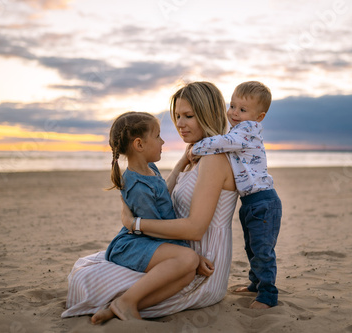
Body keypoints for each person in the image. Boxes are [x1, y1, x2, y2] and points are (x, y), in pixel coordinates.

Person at [61, 81, 238, 323]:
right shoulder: (196, 157)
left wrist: (135, 224)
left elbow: (196, 229)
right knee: (90, 274)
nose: (179, 124)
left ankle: (122, 303)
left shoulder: (214, 160)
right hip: (175, 252)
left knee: (97, 282)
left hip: (203, 266)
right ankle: (120, 305)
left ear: (208, 114)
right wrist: (180, 165)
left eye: (188, 116)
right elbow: (155, 195)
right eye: (177, 116)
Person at [102, 111, 214, 320]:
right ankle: (125, 301)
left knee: (188, 272)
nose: (163, 141)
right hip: (133, 244)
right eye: (157, 136)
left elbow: (163, 191)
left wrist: (182, 162)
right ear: (139, 145)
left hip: (146, 238)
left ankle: (123, 306)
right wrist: (193, 256)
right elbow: (154, 229)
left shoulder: (150, 168)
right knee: (189, 260)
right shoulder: (137, 186)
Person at [192, 81, 282, 309]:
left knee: (263, 250)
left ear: (258, 117)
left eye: (242, 110)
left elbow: (223, 142)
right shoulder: (238, 131)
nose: (234, 112)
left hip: (263, 201)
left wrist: (195, 148)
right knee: (252, 247)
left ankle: (268, 295)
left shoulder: (246, 131)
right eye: (232, 106)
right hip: (251, 201)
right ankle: (255, 284)